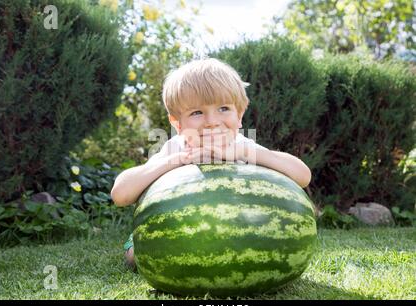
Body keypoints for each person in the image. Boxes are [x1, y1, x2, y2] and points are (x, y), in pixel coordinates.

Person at [110, 58, 312, 270]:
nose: (212, 121)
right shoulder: (176, 149)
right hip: (178, 230)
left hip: (232, 229)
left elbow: (303, 176)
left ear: (240, 115)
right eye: (197, 112)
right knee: (138, 256)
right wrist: (175, 161)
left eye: (223, 108)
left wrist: (244, 152)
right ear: (177, 124)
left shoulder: (242, 146)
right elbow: (120, 195)